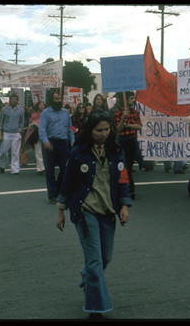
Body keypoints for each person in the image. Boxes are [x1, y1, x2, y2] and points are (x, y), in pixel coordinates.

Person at [55, 110, 131, 318]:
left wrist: (124, 206)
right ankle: (96, 307)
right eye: (99, 130)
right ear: (90, 130)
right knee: (95, 261)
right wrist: (61, 210)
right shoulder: (78, 152)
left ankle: (87, 274)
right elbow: (68, 182)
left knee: (104, 257)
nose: (103, 133)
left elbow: (123, 180)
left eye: (107, 129)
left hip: (108, 211)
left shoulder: (116, 150)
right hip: (85, 210)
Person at [39, 92, 75, 204]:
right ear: (52, 100)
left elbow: (70, 127)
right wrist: (45, 141)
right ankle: (52, 195)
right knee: (50, 171)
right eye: (56, 98)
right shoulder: (45, 113)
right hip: (50, 143)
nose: (59, 100)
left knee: (65, 169)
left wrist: (72, 139)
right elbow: (42, 129)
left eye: (60, 98)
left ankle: (59, 191)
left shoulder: (65, 112)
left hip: (63, 143)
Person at [113, 91, 142, 200]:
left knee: (128, 167)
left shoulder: (135, 113)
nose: (133, 100)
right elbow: (118, 129)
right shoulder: (118, 113)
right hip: (122, 141)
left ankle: (130, 190)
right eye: (131, 98)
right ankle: (120, 190)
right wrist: (123, 119)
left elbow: (139, 126)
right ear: (125, 101)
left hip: (131, 142)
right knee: (121, 166)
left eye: (133, 98)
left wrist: (127, 125)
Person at [0, 93, 25, 175]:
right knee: (3, 151)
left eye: (15, 99)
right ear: (10, 100)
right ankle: (2, 165)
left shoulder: (20, 110)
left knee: (15, 152)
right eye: (12, 99)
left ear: (17, 101)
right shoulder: (4, 109)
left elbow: (22, 121)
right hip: (6, 133)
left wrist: (20, 130)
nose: (13, 101)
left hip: (16, 133)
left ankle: (15, 169)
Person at [25, 102, 45, 175]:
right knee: (38, 152)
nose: (42, 106)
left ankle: (45, 166)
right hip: (37, 135)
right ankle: (40, 168)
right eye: (40, 105)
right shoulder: (34, 116)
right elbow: (30, 125)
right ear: (37, 106)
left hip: (45, 135)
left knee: (45, 152)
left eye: (43, 105)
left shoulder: (46, 114)